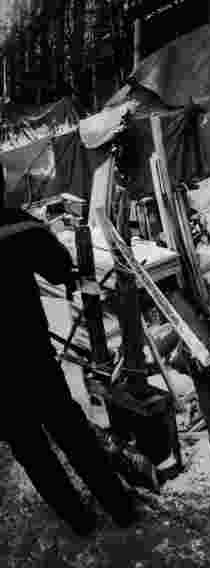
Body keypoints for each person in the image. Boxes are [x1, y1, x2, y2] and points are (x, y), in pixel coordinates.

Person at [0, 205, 138, 535]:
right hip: (30, 353)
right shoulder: (16, 225)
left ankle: (78, 519)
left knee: (29, 446)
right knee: (70, 430)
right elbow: (60, 269)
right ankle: (119, 507)